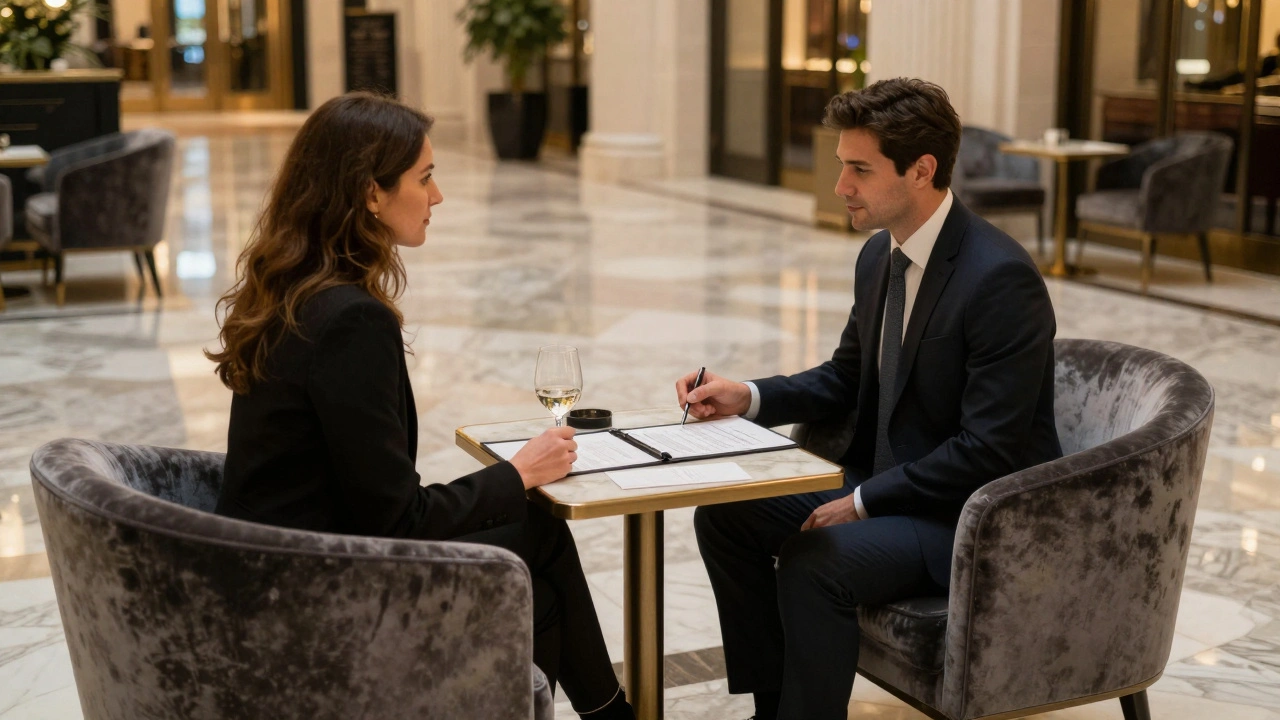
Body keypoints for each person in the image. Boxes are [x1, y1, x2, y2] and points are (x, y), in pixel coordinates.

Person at [208, 92, 633, 720]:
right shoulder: (350, 320)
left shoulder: (294, 289)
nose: (438, 197)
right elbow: (396, 522)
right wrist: (516, 474)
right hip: (317, 588)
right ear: (370, 194)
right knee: (537, 535)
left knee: (535, 572)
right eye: (425, 178)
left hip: (267, 567)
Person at [675, 78, 1063, 720]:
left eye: (859, 169)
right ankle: (771, 709)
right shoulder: (879, 256)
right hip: (884, 485)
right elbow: (845, 378)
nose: (841, 187)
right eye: (841, 166)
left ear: (922, 170)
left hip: (965, 517)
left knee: (814, 561)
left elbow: (988, 448)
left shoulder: (998, 278)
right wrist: (745, 396)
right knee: (725, 515)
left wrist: (860, 503)